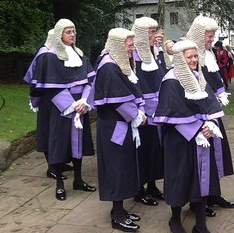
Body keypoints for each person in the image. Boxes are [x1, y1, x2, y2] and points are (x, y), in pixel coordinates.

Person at [153, 40, 225, 233]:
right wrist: (197, 131)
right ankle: (175, 220)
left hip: (202, 137)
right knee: (180, 179)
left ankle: (200, 225)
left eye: (195, 56)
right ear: (180, 59)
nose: (194, 60)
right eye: (190, 57)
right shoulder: (171, 80)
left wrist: (211, 124)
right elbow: (171, 114)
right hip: (179, 141)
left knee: (203, 180)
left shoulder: (199, 77)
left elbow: (211, 105)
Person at [25, 19, 96, 201]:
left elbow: (90, 81)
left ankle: (78, 180)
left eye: (73, 31)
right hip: (60, 108)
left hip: (80, 106)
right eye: (68, 32)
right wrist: (71, 105)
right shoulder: (50, 57)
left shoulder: (80, 55)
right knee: (58, 145)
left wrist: (83, 101)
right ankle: (59, 185)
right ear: (59, 35)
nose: (72, 34)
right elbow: (51, 87)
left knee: (78, 144)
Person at [93, 28, 146, 232]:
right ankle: (116, 215)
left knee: (124, 166)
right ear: (117, 45)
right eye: (129, 46)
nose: (132, 50)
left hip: (121, 125)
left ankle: (121, 210)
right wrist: (137, 115)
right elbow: (118, 101)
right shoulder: (109, 67)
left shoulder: (117, 62)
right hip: (114, 128)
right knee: (116, 168)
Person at [186, 16, 234, 216]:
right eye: (209, 34)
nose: (212, 38)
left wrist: (221, 91)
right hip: (198, 113)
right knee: (199, 160)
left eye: (213, 34)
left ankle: (213, 194)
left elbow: (215, 77)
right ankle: (197, 202)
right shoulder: (190, 52)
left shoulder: (208, 53)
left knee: (215, 155)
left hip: (212, 111)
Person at [23, 29, 73, 181]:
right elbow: (38, 80)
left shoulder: (54, 53)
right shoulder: (45, 54)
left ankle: (59, 162)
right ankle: (51, 167)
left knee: (58, 132)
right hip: (47, 99)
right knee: (48, 132)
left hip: (58, 99)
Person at [131, 17, 165, 206]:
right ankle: (139, 189)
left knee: (155, 150)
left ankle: (152, 184)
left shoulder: (154, 53)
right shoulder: (132, 56)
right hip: (142, 114)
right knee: (141, 152)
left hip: (157, 112)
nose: (155, 35)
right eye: (151, 32)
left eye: (155, 31)